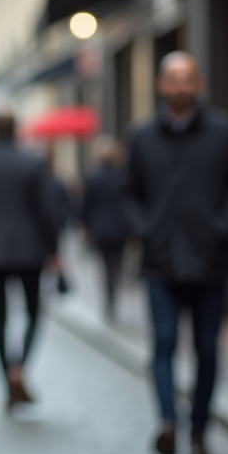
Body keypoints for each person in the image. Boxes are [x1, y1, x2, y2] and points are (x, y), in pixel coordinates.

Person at [122, 51, 228, 454]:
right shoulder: (142, 136)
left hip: (209, 262)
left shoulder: (223, 130)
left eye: (187, 79)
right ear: (161, 85)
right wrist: (146, 230)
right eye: (173, 79)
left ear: (197, 84)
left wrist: (221, 230)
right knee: (162, 345)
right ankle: (167, 422)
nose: (180, 86)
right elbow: (128, 194)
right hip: (161, 263)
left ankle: (198, 429)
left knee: (207, 350)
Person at [0, 111, 58, 410]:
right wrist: (54, 251)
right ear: (17, 130)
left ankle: (8, 381)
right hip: (30, 250)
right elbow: (48, 211)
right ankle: (20, 369)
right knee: (33, 312)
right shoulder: (32, 163)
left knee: (1, 317)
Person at [81, 135, 130, 321]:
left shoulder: (93, 177)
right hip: (119, 229)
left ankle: (109, 297)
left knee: (105, 266)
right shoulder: (121, 176)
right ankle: (113, 296)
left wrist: (86, 225)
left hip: (100, 229)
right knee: (116, 265)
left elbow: (86, 205)